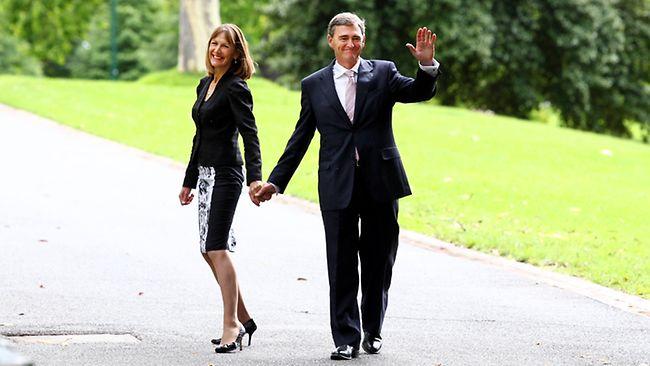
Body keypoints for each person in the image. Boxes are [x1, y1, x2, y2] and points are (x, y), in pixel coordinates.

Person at [256, 12, 440, 360]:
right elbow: (301, 138)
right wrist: (275, 182)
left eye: (355, 38)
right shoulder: (314, 84)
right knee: (340, 264)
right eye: (343, 38)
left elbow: (418, 92)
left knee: (378, 261)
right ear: (331, 41)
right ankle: (345, 338)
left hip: (380, 183)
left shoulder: (383, 72)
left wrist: (427, 66)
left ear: (363, 40)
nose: (350, 44)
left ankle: (373, 330)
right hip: (337, 184)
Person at [178, 23, 262, 354]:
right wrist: (189, 180)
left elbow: (250, 134)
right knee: (206, 249)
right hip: (205, 175)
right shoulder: (205, 84)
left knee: (217, 247)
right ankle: (245, 318)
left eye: (225, 45)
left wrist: (255, 177)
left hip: (227, 175)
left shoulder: (236, 88)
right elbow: (199, 136)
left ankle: (231, 324)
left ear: (236, 53)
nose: (217, 50)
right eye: (214, 43)